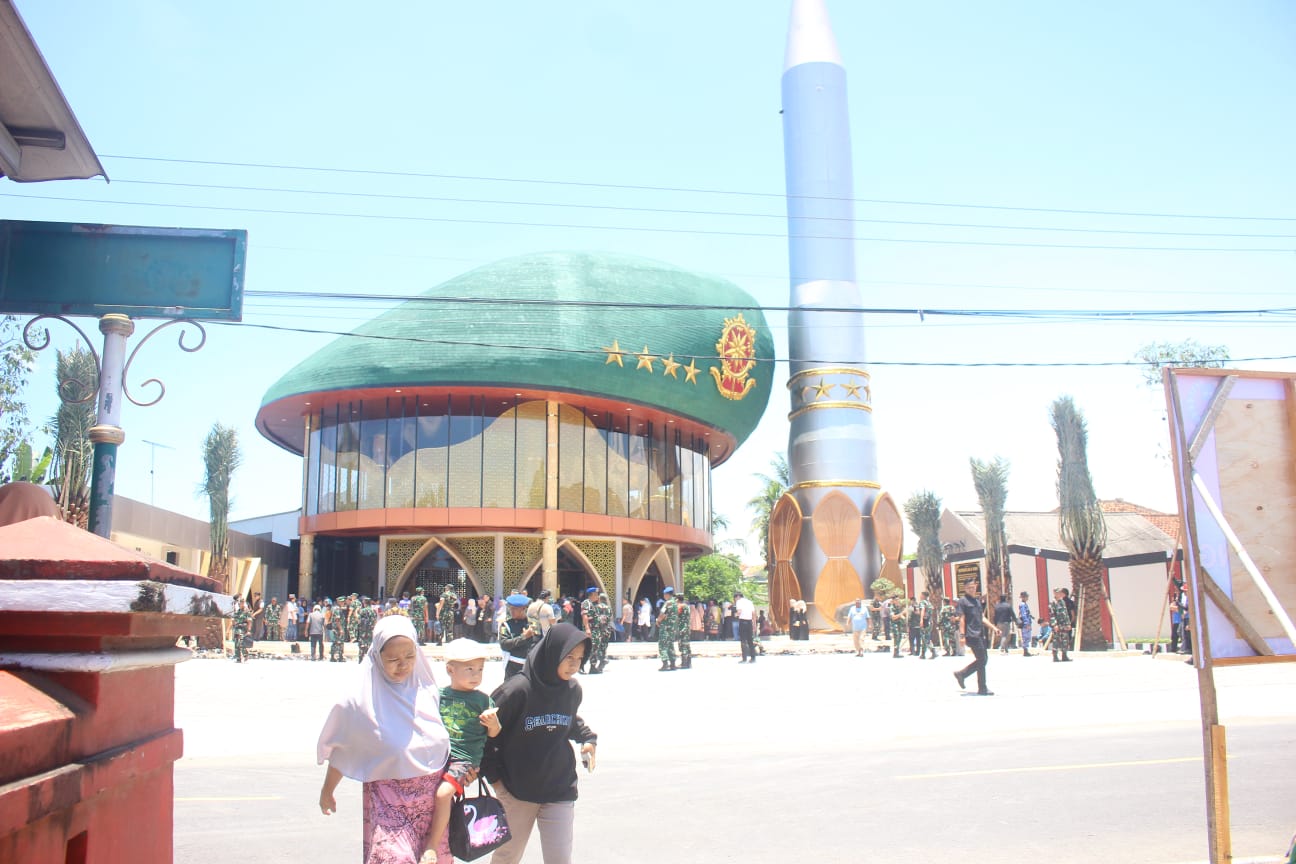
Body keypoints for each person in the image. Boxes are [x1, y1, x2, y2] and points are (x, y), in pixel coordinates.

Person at [317, 615, 454, 864]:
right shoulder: (360, 702)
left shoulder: (427, 691)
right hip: (389, 801)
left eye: (410, 657)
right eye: (393, 659)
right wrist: (328, 790)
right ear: (377, 657)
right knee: (395, 858)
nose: (403, 665)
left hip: (430, 806)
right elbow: (345, 747)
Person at [482, 623, 598, 864]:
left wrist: (588, 739)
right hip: (517, 791)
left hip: (559, 787)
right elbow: (485, 732)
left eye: (579, 658)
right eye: (568, 657)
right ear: (552, 653)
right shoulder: (516, 690)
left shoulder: (572, 689)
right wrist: (496, 780)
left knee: (559, 859)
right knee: (507, 856)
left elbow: (568, 719)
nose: (574, 664)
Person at [426, 639, 502, 856]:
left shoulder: (483, 701)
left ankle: (432, 845)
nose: (476, 675)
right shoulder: (439, 696)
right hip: (438, 756)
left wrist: (493, 723)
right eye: (469, 669)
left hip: (464, 761)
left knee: (443, 795)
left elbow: (494, 734)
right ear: (450, 669)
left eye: (480, 669)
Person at [954, 579, 1000, 696]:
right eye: (969, 587)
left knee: (983, 659)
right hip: (971, 634)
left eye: (973, 587)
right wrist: (962, 636)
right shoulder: (963, 602)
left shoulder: (977, 601)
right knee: (982, 659)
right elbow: (962, 619)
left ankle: (962, 674)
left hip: (980, 633)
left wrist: (993, 628)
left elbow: (982, 618)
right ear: (965, 588)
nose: (972, 589)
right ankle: (982, 688)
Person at [498, 593, 541, 679]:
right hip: (513, 667)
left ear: (524, 609)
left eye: (515, 609)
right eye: (511, 608)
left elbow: (538, 643)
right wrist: (523, 637)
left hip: (530, 666)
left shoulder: (533, 624)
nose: (512, 611)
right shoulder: (506, 625)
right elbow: (504, 644)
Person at [656, 586, 679, 671]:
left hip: (665, 627)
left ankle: (665, 664)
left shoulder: (668, 603)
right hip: (672, 627)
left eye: (664, 594)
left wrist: (658, 621)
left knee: (662, 644)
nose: (664, 596)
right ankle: (673, 664)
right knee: (670, 644)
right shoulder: (675, 603)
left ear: (667, 594)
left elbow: (662, 613)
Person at [1049, 587, 1073, 662]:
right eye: (1058, 592)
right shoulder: (1053, 603)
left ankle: (1064, 655)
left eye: (1060, 592)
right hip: (1057, 625)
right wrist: (1054, 624)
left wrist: (1068, 623)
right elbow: (1052, 615)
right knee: (1056, 640)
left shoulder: (1062, 602)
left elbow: (1066, 614)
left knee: (1065, 640)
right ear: (1055, 593)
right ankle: (1055, 656)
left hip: (1064, 624)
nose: (1060, 594)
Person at [734, 591, 756, 663]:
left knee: (743, 640)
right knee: (750, 640)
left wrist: (736, 614)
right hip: (749, 622)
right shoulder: (750, 602)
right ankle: (753, 658)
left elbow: (739, 611)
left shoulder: (739, 602)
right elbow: (753, 613)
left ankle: (744, 658)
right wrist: (754, 624)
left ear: (737, 597)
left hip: (743, 622)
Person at [356, 597, 379, 661]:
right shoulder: (373, 611)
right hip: (370, 630)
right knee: (369, 643)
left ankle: (361, 658)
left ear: (364, 603)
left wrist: (356, 612)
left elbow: (359, 620)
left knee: (362, 643)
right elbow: (375, 621)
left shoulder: (362, 611)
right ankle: (369, 658)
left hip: (363, 630)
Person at [231, 596, 252, 663]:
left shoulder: (246, 612)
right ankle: (238, 658)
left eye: (242, 603)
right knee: (236, 644)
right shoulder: (237, 612)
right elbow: (233, 620)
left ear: (244, 603)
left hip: (243, 629)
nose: (240, 604)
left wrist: (248, 630)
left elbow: (249, 622)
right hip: (237, 629)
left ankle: (245, 655)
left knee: (241, 643)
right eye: (240, 603)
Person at [1018, 591, 1035, 656]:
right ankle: (1025, 650)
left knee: (1027, 637)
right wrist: (1027, 623)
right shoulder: (1022, 605)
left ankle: (1026, 650)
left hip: (1027, 622)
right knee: (1026, 636)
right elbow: (1024, 614)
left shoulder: (1024, 604)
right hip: (1026, 623)